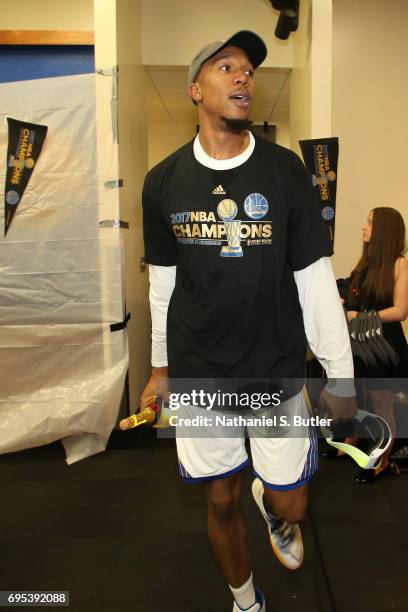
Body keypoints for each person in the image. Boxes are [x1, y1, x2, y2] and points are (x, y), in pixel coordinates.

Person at [141, 30, 355, 612]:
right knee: (218, 500)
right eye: (226, 67)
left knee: (293, 505)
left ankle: (275, 508)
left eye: (250, 71)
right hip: (201, 372)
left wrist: (341, 375)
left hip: (273, 369)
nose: (243, 77)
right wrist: (161, 369)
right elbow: (163, 286)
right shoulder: (162, 182)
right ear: (195, 89)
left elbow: (314, 278)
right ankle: (244, 600)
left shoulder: (286, 173)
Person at [342, 207, 408, 483]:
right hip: (363, 343)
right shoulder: (367, 263)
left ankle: (382, 460)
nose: (363, 227)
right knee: (359, 394)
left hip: (385, 346)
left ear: (383, 230)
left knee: (382, 404)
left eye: (369, 223)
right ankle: (353, 441)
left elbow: (400, 311)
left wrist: (362, 316)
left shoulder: (400, 265)